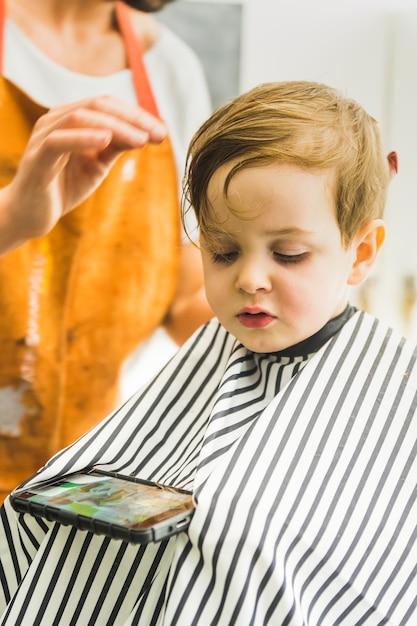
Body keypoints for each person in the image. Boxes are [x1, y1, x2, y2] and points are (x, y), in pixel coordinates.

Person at [0, 80, 414, 625]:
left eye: (288, 254)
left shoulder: (391, 385)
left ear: (360, 253)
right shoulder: (217, 347)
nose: (249, 279)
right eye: (221, 251)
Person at [0, 0, 213, 502]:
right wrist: (12, 218)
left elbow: (187, 299)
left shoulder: (172, 71)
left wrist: (290, 296)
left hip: (77, 484)